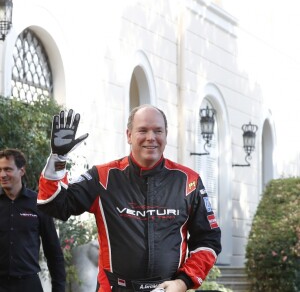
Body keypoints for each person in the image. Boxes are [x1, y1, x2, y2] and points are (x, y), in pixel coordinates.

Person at [37, 104, 222, 292]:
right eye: (143, 130)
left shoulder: (189, 181)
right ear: (129, 135)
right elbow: (54, 205)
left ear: (166, 135)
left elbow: (209, 240)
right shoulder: (102, 177)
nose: (151, 137)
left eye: (158, 131)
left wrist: (183, 281)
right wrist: (58, 159)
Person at [0, 148, 66, 292]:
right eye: (0, 170)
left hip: (29, 285)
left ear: (21, 171)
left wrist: (59, 288)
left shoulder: (38, 203)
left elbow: (53, 252)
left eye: (7, 169)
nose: (2, 174)